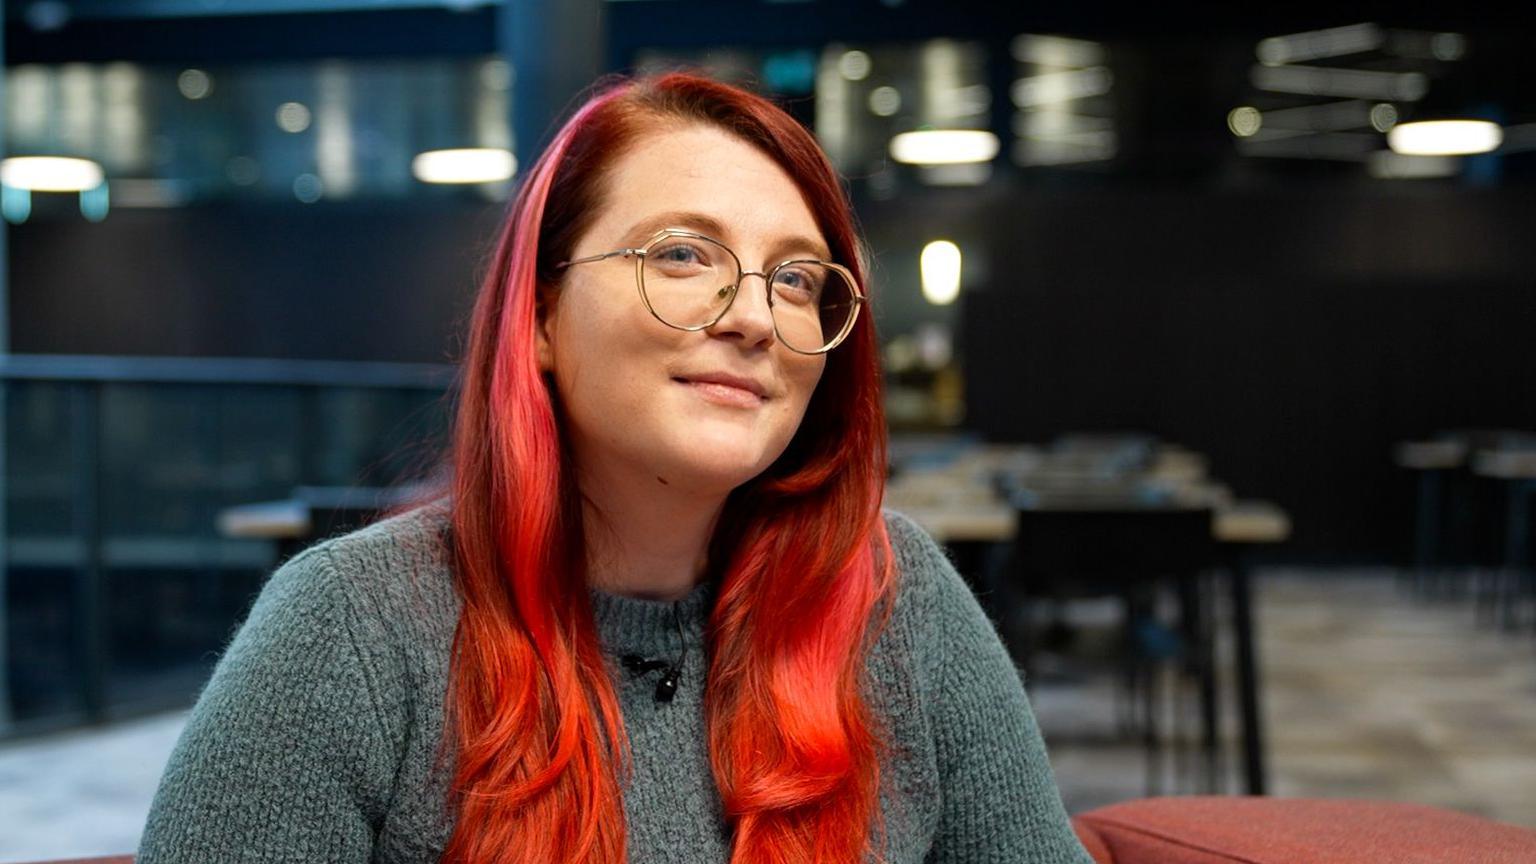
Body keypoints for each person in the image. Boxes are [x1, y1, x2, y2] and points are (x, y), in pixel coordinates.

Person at [137, 72, 1094, 864]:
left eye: (798, 279)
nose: (755, 317)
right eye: (683, 254)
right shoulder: (349, 628)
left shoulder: (900, 599)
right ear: (543, 316)